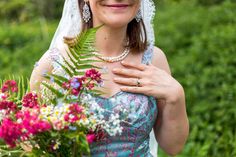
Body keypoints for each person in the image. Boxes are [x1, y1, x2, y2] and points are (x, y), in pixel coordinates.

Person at [30, 0, 189, 156]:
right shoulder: (53, 65)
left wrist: (176, 95)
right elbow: (31, 145)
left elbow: (173, 147)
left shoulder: (154, 60)